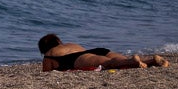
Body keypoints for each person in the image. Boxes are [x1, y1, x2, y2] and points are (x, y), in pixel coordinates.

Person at [38, 33, 168, 71]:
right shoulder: (70, 44)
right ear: (58, 41)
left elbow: (46, 73)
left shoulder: (49, 55)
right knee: (120, 60)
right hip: (96, 50)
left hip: (79, 57)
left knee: (110, 63)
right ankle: (151, 61)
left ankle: (133, 61)